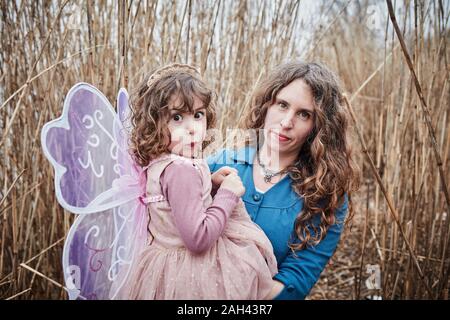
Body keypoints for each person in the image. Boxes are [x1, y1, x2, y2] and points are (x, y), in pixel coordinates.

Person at [116, 63, 278, 299]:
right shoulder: (181, 170)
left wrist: (210, 184)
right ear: (155, 124)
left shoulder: (165, 162)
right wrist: (227, 195)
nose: (192, 128)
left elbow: (172, 203)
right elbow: (198, 238)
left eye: (198, 115)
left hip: (165, 266)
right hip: (192, 274)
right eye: (177, 117)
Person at [208, 61, 360, 300]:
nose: (287, 122)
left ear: (319, 126)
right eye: (282, 105)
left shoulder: (327, 195)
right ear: (267, 105)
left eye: (304, 114)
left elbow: (295, 280)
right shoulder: (217, 164)